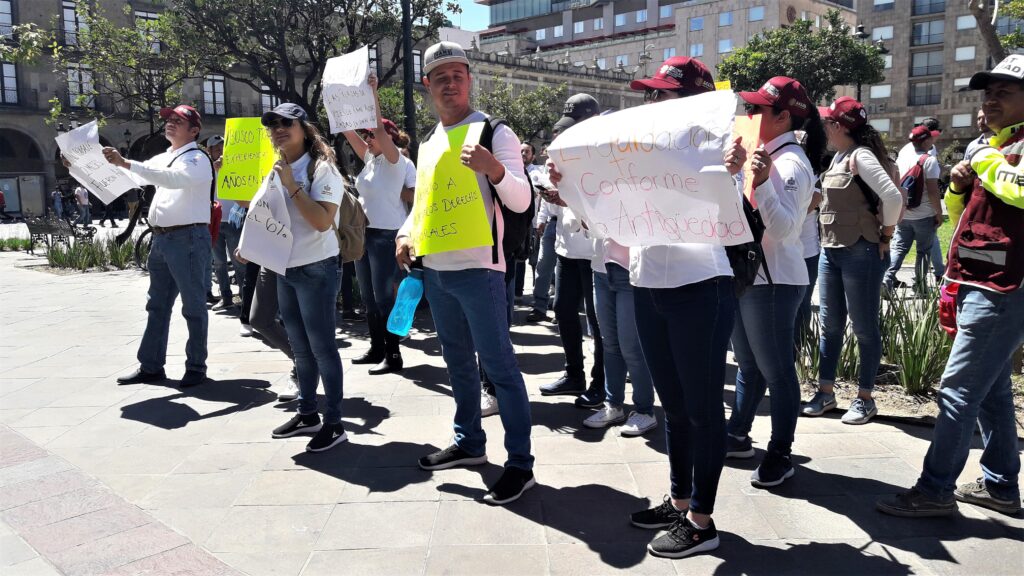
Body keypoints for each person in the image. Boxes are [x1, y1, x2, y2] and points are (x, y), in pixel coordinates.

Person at [553, 56, 733, 560]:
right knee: (672, 406)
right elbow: (608, 222)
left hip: (702, 287)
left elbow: (729, 217)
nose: (651, 104)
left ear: (694, 101)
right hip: (650, 282)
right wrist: (569, 189)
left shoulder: (717, 145)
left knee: (700, 409)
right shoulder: (647, 153)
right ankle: (680, 501)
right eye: (649, 95)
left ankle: (702, 519)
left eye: (662, 95)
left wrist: (734, 173)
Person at [878, 54, 1024, 518]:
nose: (991, 99)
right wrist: (960, 185)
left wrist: (981, 159)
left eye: (1004, 91)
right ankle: (1000, 487)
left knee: (958, 390)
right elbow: (966, 220)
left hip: (1005, 290)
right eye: (988, 91)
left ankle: (936, 490)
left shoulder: (995, 149)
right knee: (994, 390)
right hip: (982, 282)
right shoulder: (997, 145)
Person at [396, 41, 535, 505]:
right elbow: (422, 205)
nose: (449, 83)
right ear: (427, 86)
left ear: (469, 80)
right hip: (437, 271)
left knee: (500, 369)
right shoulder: (430, 140)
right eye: (440, 77)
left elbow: (521, 200)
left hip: (481, 271)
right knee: (456, 364)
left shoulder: (496, 132)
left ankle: (520, 465)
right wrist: (403, 233)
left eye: (457, 75)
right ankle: (470, 443)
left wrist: (493, 168)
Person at [726, 77, 824, 488]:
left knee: (778, 372)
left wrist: (761, 182)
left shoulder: (790, 163)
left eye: (758, 110)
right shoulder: (765, 154)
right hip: (755, 276)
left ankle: (780, 453)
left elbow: (785, 230)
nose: (749, 117)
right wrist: (735, 173)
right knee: (750, 364)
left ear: (784, 117)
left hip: (774, 279)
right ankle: (737, 434)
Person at [245, 103, 348, 453]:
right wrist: (251, 243)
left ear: (304, 128)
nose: (277, 129)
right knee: (301, 350)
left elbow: (322, 221)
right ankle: (308, 414)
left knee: (322, 349)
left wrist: (292, 187)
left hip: (316, 268)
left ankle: (334, 423)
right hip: (284, 267)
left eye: (285, 123)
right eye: (271, 124)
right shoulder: (277, 168)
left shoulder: (323, 169)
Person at [802, 97, 904, 424]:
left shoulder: (860, 156)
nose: (824, 127)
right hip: (832, 251)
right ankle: (826, 392)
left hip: (861, 250)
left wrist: (887, 234)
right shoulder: (840, 157)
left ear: (839, 126)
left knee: (864, 329)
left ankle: (865, 398)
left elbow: (891, 196)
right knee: (830, 327)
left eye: (828, 122)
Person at [105, 105, 214, 388]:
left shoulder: (197, 158)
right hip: (164, 238)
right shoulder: (166, 156)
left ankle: (196, 366)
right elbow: (137, 176)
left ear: (194, 131)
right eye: (170, 120)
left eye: (179, 121)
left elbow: (173, 180)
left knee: (193, 307)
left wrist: (126, 163)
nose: (170, 124)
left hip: (188, 238)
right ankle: (151, 366)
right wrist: (87, 168)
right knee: (157, 305)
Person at [342, 75, 415, 375]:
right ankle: (376, 348)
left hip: (387, 235)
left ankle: (393, 354)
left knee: (385, 296)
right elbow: (347, 132)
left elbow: (379, 130)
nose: (367, 139)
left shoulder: (396, 160)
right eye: (367, 136)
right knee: (369, 296)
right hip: (365, 234)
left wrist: (372, 93)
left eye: (371, 136)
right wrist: (337, 102)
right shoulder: (371, 161)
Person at [539, 94, 604, 409]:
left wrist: (569, 200)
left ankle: (601, 383)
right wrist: (553, 194)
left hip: (596, 252)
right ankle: (573, 374)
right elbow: (559, 203)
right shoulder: (563, 154)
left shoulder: (605, 155)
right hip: (567, 248)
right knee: (563, 311)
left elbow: (603, 206)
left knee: (598, 321)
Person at [883, 126, 944, 293]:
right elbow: (933, 190)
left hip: (904, 213)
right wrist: (939, 213)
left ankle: (887, 279)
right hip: (924, 214)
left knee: (899, 248)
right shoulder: (929, 160)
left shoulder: (902, 159)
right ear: (926, 141)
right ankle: (920, 286)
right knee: (923, 251)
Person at [208, 135, 242, 311]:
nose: (221, 152)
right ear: (210, 151)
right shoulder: (205, 169)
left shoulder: (237, 166)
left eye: (223, 148)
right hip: (214, 221)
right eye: (217, 149)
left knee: (239, 261)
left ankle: (245, 297)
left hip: (234, 220)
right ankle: (226, 296)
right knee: (219, 262)